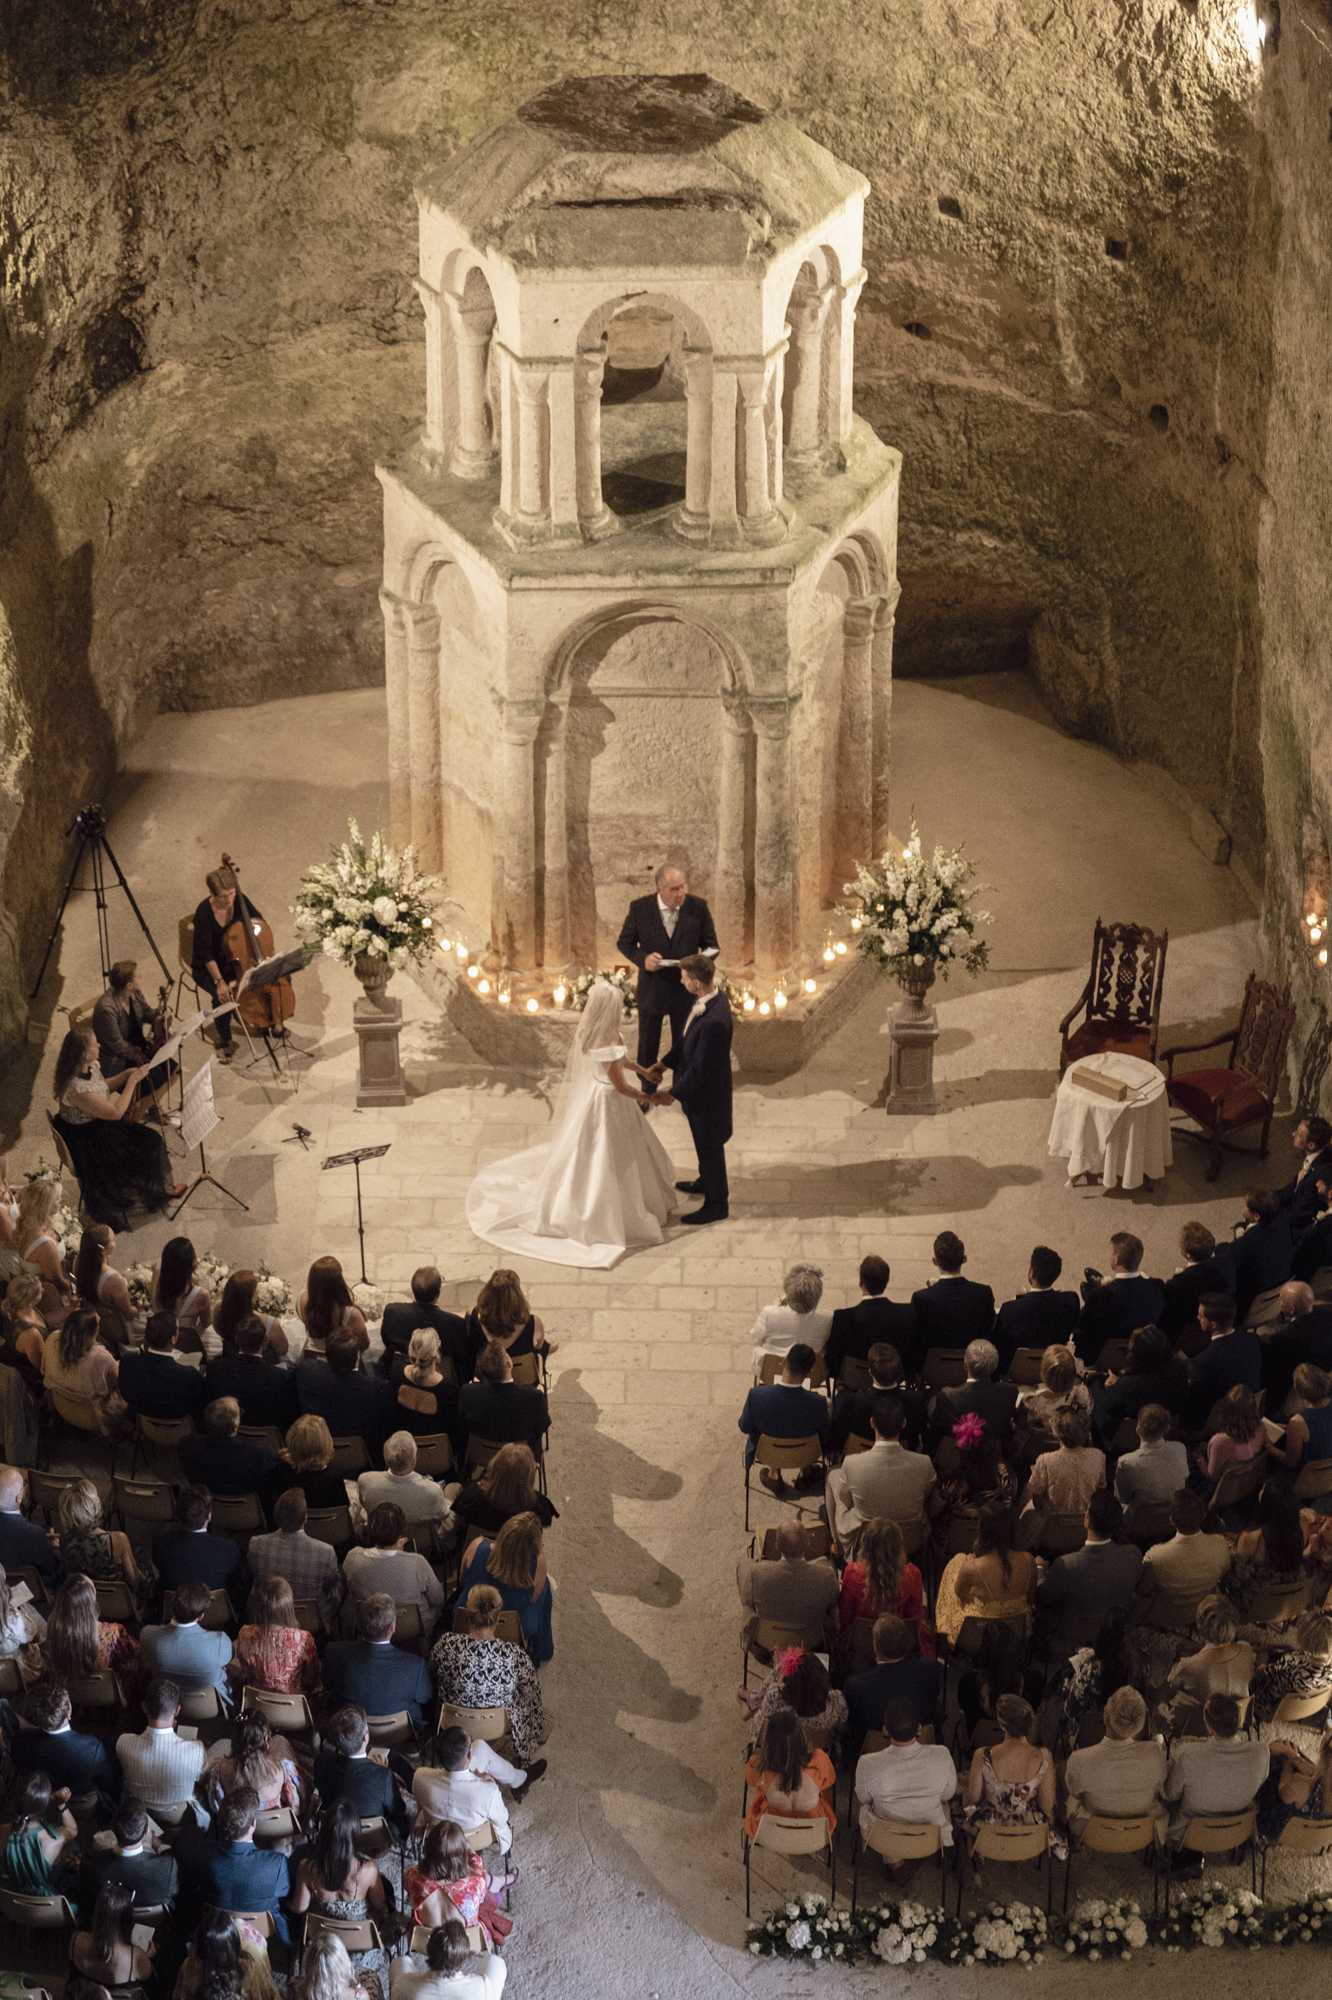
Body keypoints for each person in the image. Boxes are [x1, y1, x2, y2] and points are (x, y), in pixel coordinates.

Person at [467, 982, 677, 1264]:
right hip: (608, 1100)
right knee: (607, 1158)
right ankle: (602, 1214)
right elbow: (621, 1086)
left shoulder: (601, 1033)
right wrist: (650, 1097)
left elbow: (622, 1060)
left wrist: (642, 1070)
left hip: (602, 1094)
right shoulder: (604, 1040)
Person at [51, 1028, 182, 1223]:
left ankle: (155, 1188)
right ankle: (155, 1194)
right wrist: (132, 1082)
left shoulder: (89, 1066)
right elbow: (115, 1113)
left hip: (95, 1123)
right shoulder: (77, 1088)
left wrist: (127, 1074)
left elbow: (103, 1087)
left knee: (147, 1140)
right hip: (87, 1138)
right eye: (95, 1044)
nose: (99, 1045)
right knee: (151, 1143)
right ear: (84, 1053)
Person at [615, 862, 719, 1080]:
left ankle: (681, 1090)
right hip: (653, 988)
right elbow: (624, 943)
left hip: (686, 990)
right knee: (647, 1046)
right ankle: (647, 1090)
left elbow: (712, 946)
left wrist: (697, 962)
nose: (681, 893)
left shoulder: (698, 907)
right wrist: (643, 960)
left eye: (683, 887)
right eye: (674, 889)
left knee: (684, 1044)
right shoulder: (640, 908)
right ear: (659, 889)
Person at [651, 953, 733, 1226]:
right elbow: (686, 1041)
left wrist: (670, 1093)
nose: (682, 982)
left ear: (697, 982)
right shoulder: (707, 1002)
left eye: (685, 978)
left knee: (710, 1147)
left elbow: (700, 1070)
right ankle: (704, 1180)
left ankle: (717, 1203)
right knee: (703, 1144)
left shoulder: (715, 1022)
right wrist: (664, 1063)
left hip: (707, 1099)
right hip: (700, 1096)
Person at [430, 1585, 545, 1763]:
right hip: (496, 1725)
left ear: (467, 1614)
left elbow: (432, 1670)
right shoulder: (514, 1655)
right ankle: (523, 1751)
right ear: (498, 1616)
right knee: (528, 1694)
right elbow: (532, 1692)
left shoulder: (446, 1644)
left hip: (453, 1720)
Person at [288, 1798, 390, 1979]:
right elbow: (380, 1904)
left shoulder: (307, 1868)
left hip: (323, 1945)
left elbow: (300, 1908)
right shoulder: (369, 1870)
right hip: (359, 1948)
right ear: (355, 1834)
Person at [173, 1785, 290, 1940]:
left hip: (215, 1927)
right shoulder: (276, 1863)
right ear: (253, 1824)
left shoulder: (202, 1853)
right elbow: (283, 1893)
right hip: (263, 1932)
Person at [962, 1691, 1063, 1856]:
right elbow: (1047, 1805)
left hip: (990, 1833)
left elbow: (972, 1799)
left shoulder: (982, 1755)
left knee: (961, 1798)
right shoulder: (1045, 1756)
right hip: (1030, 1835)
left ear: (1002, 1725)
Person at [413, 1724, 540, 1856]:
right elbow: (503, 1818)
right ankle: (519, 1780)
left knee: (479, 1746)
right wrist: (491, 1784)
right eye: (470, 1742)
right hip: (476, 1838)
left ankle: (519, 1779)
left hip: (436, 1832)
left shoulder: (420, 1777)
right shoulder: (488, 1791)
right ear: (469, 1756)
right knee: (480, 1747)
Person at [1035, 1489, 1142, 1639]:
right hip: (1118, 1634)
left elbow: (1043, 1597)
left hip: (1074, 1638)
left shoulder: (1066, 1565)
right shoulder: (1133, 1555)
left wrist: (1039, 1569)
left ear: (1087, 1519)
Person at [321, 1592, 434, 1730]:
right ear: (392, 1628)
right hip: (401, 1733)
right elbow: (425, 1697)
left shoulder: (334, 1653)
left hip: (352, 1729)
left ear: (359, 1626)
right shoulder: (416, 1666)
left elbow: (327, 1685)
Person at [1163, 1692, 1269, 1838]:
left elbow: (1170, 1794)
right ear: (1239, 1721)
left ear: (1210, 1728)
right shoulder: (1261, 1752)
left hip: (1192, 1832)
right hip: (1238, 1829)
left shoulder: (1188, 1755)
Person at [854, 1697, 957, 1844]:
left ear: (885, 1730)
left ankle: (895, 1857)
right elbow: (948, 1794)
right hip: (930, 1837)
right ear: (919, 1728)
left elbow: (864, 1799)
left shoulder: (867, 1763)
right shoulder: (942, 1754)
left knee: (867, 1808)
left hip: (885, 1837)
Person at [1064, 1685, 1167, 1833]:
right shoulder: (1156, 1752)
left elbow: (1073, 1790)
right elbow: (1161, 1787)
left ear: (1106, 1716)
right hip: (1141, 1831)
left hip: (1095, 1831)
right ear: (1140, 1723)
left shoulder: (1079, 1759)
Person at [933, 1501, 1035, 1649]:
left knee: (957, 1561)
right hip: (1017, 1633)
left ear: (982, 1530)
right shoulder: (1029, 1560)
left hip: (977, 1637)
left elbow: (960, 1596)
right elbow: (1031, 1599)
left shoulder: (971, 1567)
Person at [841, 1613, 944, 1760]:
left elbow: (853, 1728)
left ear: (875, 1646)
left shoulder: (856, 1686)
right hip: (922, 1751)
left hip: (874, 1757)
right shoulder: (932, 1671)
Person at [454, 1511, 552, 1663]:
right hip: (513, 1628)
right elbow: (534, 1598)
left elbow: (462, 1579)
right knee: (545, 1588)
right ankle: (540, 1648)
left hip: (468, 1619)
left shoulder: (477, 1545)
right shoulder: (538, 1562)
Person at [836, 1517, 930, 1666]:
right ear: (899, 1546)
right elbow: (914, 1620)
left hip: (861, 1649)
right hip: (899, 1647)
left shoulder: (851, 1573)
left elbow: (845, 1619)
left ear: (865, 1545)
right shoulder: (913, 1574)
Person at [406, 1818, 514, 1946]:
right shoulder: (475, 1882)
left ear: (428, 1849)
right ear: (462, 1854)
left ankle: (501, 1886)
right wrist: (467, 1846)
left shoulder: (412, 1876)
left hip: (426, 1942)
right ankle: (502, 1885)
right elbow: (477, 1862)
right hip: (466, 1942)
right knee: (488, 1899)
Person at [736, 1344, 828, 1495]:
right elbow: (823, 1435)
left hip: (767, 1452)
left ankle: (774, 1474)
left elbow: (744, 1427)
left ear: (784, 1362)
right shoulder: (819, 1403)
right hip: (805, 1453)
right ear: (810, 1372)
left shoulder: (757, 1396)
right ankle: (806, 1472)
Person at [736, 1520, 837, 1654]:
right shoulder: (826, 1575)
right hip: (811, 1645)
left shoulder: (754, 1573)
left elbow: (747, 1602)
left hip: (765, 1645)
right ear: (807, 1544)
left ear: (777, 1546)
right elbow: (832, 1604)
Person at [190, 865, 259, 1063]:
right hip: (209, 967)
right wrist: (220, 981)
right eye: (223, 897)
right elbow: (206, 954)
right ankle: (224, 1038)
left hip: (236, 959)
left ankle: (265, 1018)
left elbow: (257, 921)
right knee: (222, 996)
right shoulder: (203, 913)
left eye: (231, 893)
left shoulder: (239, 900)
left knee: (262, 975)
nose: (229, 900)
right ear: (212, 894)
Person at [310, 1704, 410, 1838]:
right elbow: (398, 1809)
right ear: (365, 1738)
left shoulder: (322, 1760)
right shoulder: (384, 1776)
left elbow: (321, 1789)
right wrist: (380, 1770)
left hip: (336, 1830)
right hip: (372, 1838)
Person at [115, 1675, 206, 1819]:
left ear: (144, 1708)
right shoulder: (197, 1751)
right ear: (177, 1710)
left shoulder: (123, 1743)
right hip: (180, 1817)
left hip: (140, 1814)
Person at [10, 1682, 119, 1800]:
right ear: (69, 1712)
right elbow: (109, 1784)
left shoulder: (20, 1740)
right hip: (83, 1807)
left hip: (40, 1803)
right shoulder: (94, 1750)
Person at [247, 1488, 342, 1622]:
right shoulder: (326, 1552)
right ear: (305, 1518)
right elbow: (334, 1596)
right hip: (311, 1620)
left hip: (269, 1616)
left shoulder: (256, 1545)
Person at [742, 1707, 836, 1839]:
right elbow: (829, 1782)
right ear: (802, 1738)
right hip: (814, 1832)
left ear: (768, 1741)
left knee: (760, 1791)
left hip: (771, 1832)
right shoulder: (820, 1760)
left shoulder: (757, 1766)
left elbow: (750, 1780)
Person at [345, 1503, 447, 1620]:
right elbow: (438, 1598)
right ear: (401, 1533)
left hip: (371, 1626)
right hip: (416, 1627)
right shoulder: (417, 1562)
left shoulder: (353, 1558)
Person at [825, 1256, 917, 1384]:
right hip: (894, 1380)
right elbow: (911, 1356)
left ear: (860, 1282)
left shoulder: (843, 1318)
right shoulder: (905, 1313)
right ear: (886, 1281)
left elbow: (833, 1362)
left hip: (854, 1384)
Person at [1074, 1232, 1165, 1363]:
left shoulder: (1100, 1296)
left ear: (1116, 1259)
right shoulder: (1156, 1287)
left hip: (1107, 1361)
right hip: (1148, 1356)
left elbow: (1081, 1330)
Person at [1138, 1487, 1231, 1611]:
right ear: (1203, 1515)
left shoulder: (1155, 1556)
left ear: (1171, 1520)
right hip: (1202, 1611)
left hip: (1166, 1616)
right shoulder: (1221, 1545)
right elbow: (1224, 1573)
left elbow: (1143, 1589)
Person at [1163, 1596, 1256, 1720]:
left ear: (1200, 1626)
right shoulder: (1246, 1650)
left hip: (1209, 1720)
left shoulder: (1189, 1665)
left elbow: (1170, 1689)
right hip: (1239, 1716)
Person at [737, 1645, 847, 1750]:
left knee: (752, 1698)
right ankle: (749, 1699)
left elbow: (758, 1730)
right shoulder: (837, 1703)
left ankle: (747, 1703)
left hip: (778, 1753)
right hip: (813, 1755)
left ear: (789, 1685)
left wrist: (779, 1674)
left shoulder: (776, 1699)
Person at [201, 1706, 304, 1817]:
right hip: (272, 1829)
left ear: (234, 1740)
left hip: (238, 1828)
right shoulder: (282, 1770)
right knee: (280, 1739)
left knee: (221, 1743)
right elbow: (296, 1807)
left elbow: (215, 1807)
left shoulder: (218, 1771)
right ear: (265, 1739)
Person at [828, 1343, 926, 1458]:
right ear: (900, 1374)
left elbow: (838, 1434)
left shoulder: (851, 1401)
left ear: (870, 1373)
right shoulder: (916, 1400)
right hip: (902, 1454)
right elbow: (919, 1430)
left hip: (860, 1454)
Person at [92, 961, 172, 1100]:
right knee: (156, 1080)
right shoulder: (106, 1009)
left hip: (137, 1049)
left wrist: (159, 1015)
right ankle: (137, 1112)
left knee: (173, 1069)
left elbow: (147, 1013)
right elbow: (118, 1045)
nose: (141, 977)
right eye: (138, 976)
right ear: (129, 985)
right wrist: (143, 1057)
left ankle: (150, 1106)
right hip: (117, 1061)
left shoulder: (134, 994)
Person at [991, 1247, 1079, 1372]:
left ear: (1031, 1272)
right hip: (1055, 1370)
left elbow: (1000, 1348)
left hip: (1019, 1373)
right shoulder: (1070, 1301)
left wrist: (1021, 1301)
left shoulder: (1009, 1309)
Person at [79, 1802, 178, 1913]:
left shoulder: (90, 1864)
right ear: (146, 1832)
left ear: (112, 1829)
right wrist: (159, 1847)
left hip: (106, 1920)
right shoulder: (168, 1867)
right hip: (152, 1924)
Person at [297, 1337, 394, 1449]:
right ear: (357, 1358)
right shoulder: (377, 1388)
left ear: (326, 1357)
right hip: (361, 1449)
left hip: (317, 1445)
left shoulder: (307, 1372)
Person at [140, 1578, 234, 1694]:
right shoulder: (220, 1641)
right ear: (201, 1616)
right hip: (210, 1707)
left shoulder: (147, 1635)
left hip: (166, 1699)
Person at [1095, 1324, 1188, 1441]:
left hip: (1134, 1434)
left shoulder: (1129, 1385)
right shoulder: (1181, 1369)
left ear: (1138, 1356)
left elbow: (1108, 1405)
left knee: (1096, 1394)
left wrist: (1112, 1386)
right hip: (1168, 1427)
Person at [47, 1571, 140, 1686]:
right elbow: (137, 1660)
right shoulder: (114, 1633)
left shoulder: (53, 1631)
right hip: (107, 1696)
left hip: (71, 1696)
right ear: (90, 1605)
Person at [206, 1313, 297, 1431]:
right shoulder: (281, 1378)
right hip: (266, 1440)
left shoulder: (215, 1369)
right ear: (265, 1343)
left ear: (237, 1340)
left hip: (224, 1433)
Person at [230, 1574, 319, 1694]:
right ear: (288, 1606)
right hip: (293, 1706)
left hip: (256, 1702)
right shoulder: (303, 1639)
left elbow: (246, 1672)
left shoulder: (245, 1634)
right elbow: (311, 1680)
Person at [1183, 1292, 1261, 1428]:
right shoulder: (1252, 1340)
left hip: (1220, 1420)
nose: (1197, 1318)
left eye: (1201, 1317)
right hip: (1250, 1405)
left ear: (1212, 1324)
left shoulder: (1202, 1362)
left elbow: (1196, 1406)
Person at [449, 1442, 557, 1540]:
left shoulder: (472, 1496)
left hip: (477, 1550)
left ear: (494, 1466)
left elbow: (459, 1519)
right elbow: (545, 1523)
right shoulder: (538, 1507)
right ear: (529, 1476)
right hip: (517, 1556)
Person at [154, 1486, 247, 1598]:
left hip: (172, 1610)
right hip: (219, 1612)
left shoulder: (162, 1543)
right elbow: (236, 1585)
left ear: (178, 1515)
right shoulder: (229, 1549)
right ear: (209, 1515)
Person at [458, 1344, 549, 1457]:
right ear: (509, 1363)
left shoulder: (468, 1392)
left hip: (482, 1455)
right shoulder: (534, 1397)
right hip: (521, 1456)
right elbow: (543, 1425)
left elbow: (463, 1424)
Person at [179, 1398, 280, 1500]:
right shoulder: (260, 1458)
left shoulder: (187, 1447)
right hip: (248, 1514)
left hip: (205, 1508)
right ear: (236, 1424)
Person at [174, 1905, 282, 2000]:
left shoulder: (189, 1967)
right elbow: (262, 1995)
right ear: (234, 1944)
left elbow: (180, 1995)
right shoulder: (248, 1967)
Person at [56, 1478, 143, 1595]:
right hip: (117, 1605)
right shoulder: (118, 1539)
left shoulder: (65, 1540)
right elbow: (134, 1581)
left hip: (83, 1602)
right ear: (95, 1505)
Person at [910, 1232, 995, 1350]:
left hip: (934, 1366)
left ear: (935, 1261)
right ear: (964, 1259)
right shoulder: (983, 1294)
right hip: (974, 1365)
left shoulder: (921, 1298)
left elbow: (917, 1342)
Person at [381, 1267, 470, 1379]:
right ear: (438, 1294)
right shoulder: (455, 1324)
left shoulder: (392, 1311)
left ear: (413, 1291)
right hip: (435, 1376)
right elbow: (462, 1359)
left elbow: (386, 1339)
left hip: (397, 1369)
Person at [119, 1312, 208, 1422]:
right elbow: (199, 1404)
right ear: (173, 1339)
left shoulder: (128, 1362)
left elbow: (126, 1395)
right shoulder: (189, 1375)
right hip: (181, 1429)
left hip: (143, 1422)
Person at [928, 1339, 1018, 1448]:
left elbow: (937, 1436)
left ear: (965, 1364)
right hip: (997, 1456)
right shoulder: (1010, 1392)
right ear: (995, 1365)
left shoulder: (947, 1396)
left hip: (959, 1457)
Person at [0, 1770, 78, 1893]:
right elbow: (73, 1830)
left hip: (10, 1895)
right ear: (44, 1807)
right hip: (44, 1904)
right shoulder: (54, 1840)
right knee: (74, 1850)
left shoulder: (3, 1829)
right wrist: (61, 1804)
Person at [358, 1431, 450, 1534]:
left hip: (380, 1534)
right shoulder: (433, 1490)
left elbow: (364, 1504)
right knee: (453, 1489)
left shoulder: (365, 1480)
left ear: (385, 1457)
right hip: (421, 1541)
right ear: (414, 1460)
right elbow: (444, 1514)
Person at [389, 1919, 506, 2000]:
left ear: (428, 1951)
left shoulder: (404, 1988)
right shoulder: (484, 1989)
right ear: (465, 1957)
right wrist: (473, 1955)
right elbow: (496, 1962)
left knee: (403, 1961)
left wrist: (404, 1962)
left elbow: (398, 1964)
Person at [1250, 1609, 1332, 1724]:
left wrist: (1259, 1667)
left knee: (1256, 1667)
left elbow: (1266, 1671)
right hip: (1305, 1692)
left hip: (1276, 1692)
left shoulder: (1291, 1660)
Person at [1224, 1187, 1294, 1319]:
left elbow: (1230, 1263)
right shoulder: (1283, 1221)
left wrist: (1240, 1237)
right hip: (1281, 1280)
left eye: (1246, 1207)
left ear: (1256, 1216)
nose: (1243, 1209)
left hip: (1253, 1295)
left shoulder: (1248, 1241)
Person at [1021, 1408, 1105, 1516]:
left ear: (1056, 1432)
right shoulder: (1098, 1456)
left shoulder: (1045, 1460)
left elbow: (1037, 1501)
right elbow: (1100, 1492)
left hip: (1055, 1524)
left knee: (1025, 1509)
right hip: (1086, 1521)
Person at [1160, 1222, 1233, 1346]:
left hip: (1195, 1331)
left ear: (1187, 1254)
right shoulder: (1226, 1263)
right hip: (1225, 1318)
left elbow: (1171, 1316)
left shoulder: (1177, 1284)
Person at [749, 1264, 832, 1371]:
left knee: (757, 1349)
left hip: (772, 1371)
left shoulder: (769, 1312)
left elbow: (756, 1338)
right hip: (811, 1373)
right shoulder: (828, 1318)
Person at [43, 1309, 120, 1418]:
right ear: (92, 1333)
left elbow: (44, 1369)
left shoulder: (51, 1339)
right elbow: (118, 1382)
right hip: (91, 1415)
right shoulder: (101, 1358)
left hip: (61, 1406)